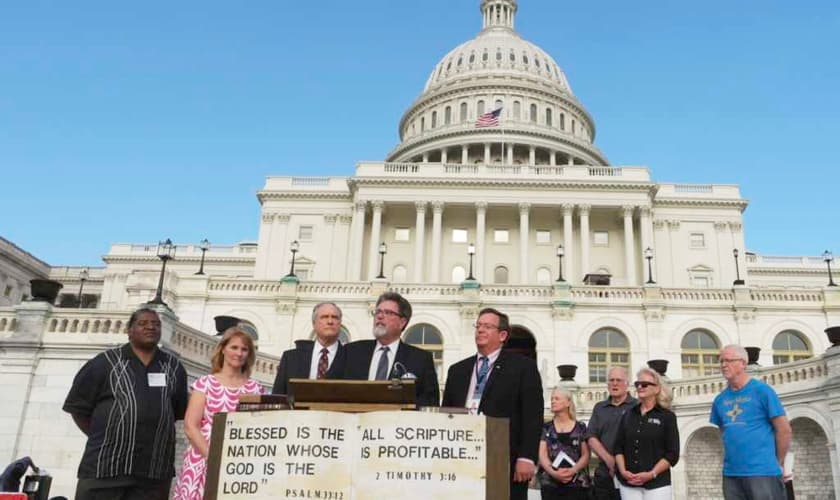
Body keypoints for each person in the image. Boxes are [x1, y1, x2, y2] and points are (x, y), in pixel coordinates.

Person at [63, 307, 188, 500]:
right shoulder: (104, 363)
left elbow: (177, 411)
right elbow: (78, 409)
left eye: (156, 324)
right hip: (105, 468)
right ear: (129, 330)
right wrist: (107, 435)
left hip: (153, 472)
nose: (150, 328)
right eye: (143, 324)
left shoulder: (173, 367)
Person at [442, 307, 543, 500]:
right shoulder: (457, 370)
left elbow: (532, 416)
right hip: (463, 458)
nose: (480, 330)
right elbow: (447, 413)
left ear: (502, 335)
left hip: (505, 459)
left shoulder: (523, 367)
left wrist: (527, 457)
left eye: (487, 326)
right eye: (478, 326)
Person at [173, 326, 265, 500]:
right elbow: (191, 426)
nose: (239, 353)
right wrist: (213, 458)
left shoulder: (255, 388)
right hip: (204, 456)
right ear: (223, 349)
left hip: (241, 461)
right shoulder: (205, 383)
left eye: (244, 349)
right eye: (234, 347)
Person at [710, 344, 792, 500]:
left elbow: (784, 430)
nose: (723, 365)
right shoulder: (719, 400)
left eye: (728, 360)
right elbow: (724, 432)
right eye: (721, 361)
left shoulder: (763, 391)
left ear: (743, 363)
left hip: (762, 472)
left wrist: (778, 462)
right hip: (731, 474)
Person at [342, 292, 439, 406]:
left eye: (387, 313)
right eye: (377, 312)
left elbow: (430, 403)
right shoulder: (352, 352)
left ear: (402, 322)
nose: (379, 316)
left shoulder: (421, 359)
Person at [614, 367, 679, 500]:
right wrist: (623, 471)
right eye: (638, 384)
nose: (640, 387)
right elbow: (618, 447)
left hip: (657, 484)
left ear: (656, 388)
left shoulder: (667, 416)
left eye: (645, 384)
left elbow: (672, 454)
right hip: (628, 483)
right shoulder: (627, 414)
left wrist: (652, 474)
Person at [272, 302, 347, 394]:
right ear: (314, 323)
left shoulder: (351, 359)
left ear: (340, 323)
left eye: (335, 317)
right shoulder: (291, 358)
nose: (330, 321)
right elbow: (278, 396)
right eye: (324, 317)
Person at [585, 366, 637, 500]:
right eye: (611, 380)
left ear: (627, 384)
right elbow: (591, 437)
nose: (614, 383)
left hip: (631, 473)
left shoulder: (637, 407)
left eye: (619, 380)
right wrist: (609, 460)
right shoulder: (599, 408)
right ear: (607, 384)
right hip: (604, 473)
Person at [537, 388, 590, 500]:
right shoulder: (546, 428)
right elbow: (542, 455)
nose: (553, 401)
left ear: (568, 402)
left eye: (557, 398)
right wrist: (554, 473)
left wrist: (573, 470)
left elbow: (586, 455)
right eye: (552, 399)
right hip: (550, 484)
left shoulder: (580, 427)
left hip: (576, 484)